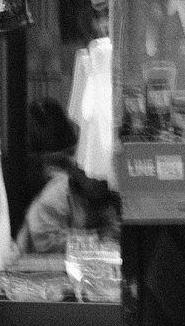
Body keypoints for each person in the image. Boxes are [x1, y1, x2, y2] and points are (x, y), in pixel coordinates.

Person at [14, 99, 118, 255]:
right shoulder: (58, 195)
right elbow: (44, 244)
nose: (104, 181)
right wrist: (98, 240)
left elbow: (114, 232)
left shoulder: (105, 198)